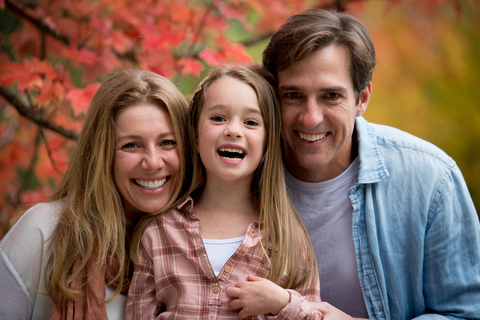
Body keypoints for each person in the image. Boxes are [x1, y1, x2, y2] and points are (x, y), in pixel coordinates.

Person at [262, 8, 480, 320]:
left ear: (362, 98)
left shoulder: (431, 179)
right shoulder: (239, 175)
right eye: (293, 95)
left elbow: (466, 313)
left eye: (331, 96)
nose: (310, 118)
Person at [126, 65, 324, 319]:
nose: (233, 130)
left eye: (251, 122)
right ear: (195, 137)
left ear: (266, 146)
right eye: (218, 118)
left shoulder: (287, 238)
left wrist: (282, 303)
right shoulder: (159, 233)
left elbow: (318, 313)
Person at [0, 69, 193, 320]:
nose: (153, 162)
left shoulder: (201, 248)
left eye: (168, 142)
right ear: (103, 155)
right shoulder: (43, 232)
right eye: (131, 145)